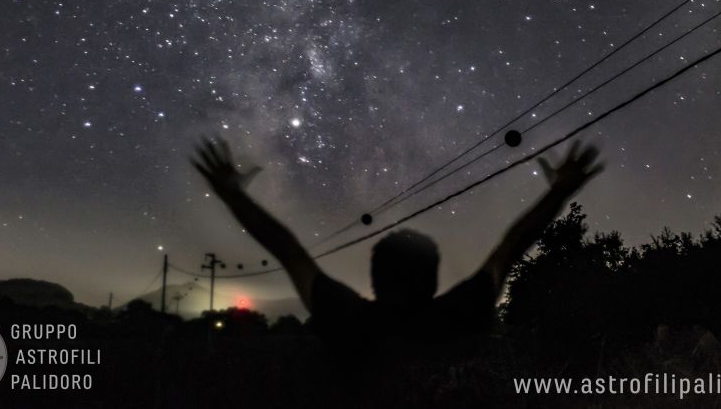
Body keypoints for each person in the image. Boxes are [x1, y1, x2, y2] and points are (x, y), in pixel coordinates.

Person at [191, 137, 603, 343]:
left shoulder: (348, 320)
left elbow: (288, 250)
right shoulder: (455, 318)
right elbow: (510, 249)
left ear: (373, 280)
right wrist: (559, 191)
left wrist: (232, 194)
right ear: (433, 281)